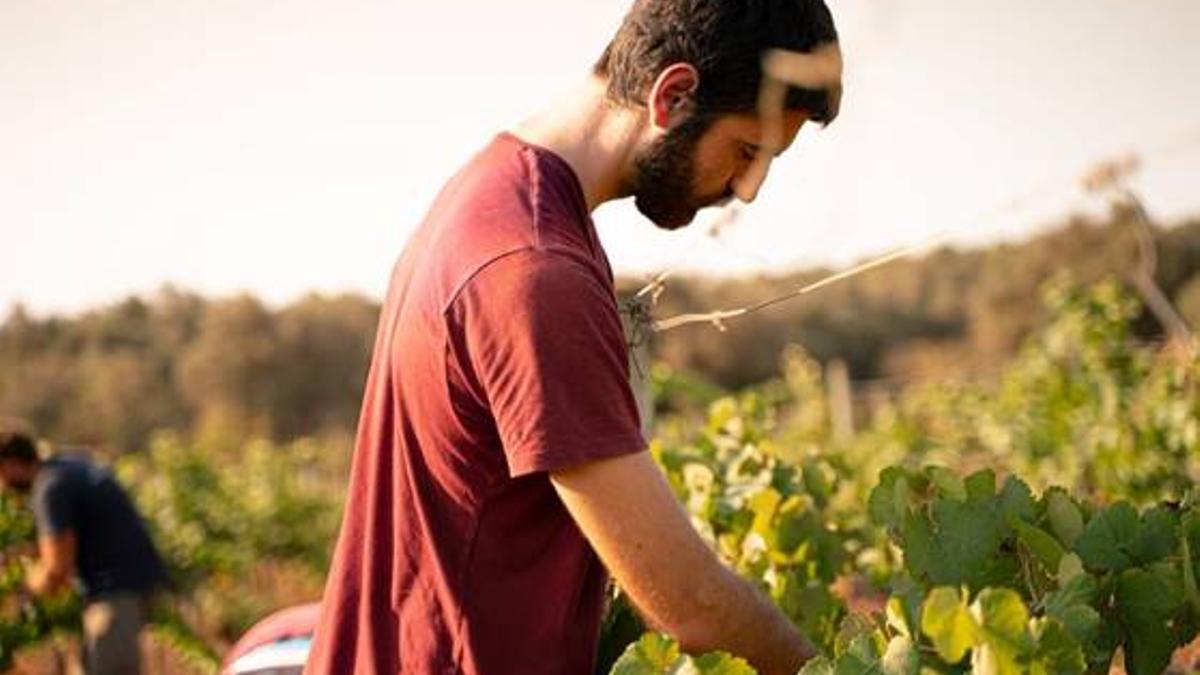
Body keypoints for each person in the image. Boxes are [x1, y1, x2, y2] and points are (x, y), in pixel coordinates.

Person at [306, 1, 842, 673]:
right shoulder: (535, 269)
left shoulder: (493, 197)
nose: (749, 188)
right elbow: (688, 604)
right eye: (746, 150)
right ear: (672, 95)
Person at [0, 430, 168, 675]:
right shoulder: (70, 466)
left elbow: (57, 567)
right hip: (134, 584)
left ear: (11, 465)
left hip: (115, 593)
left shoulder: (49, 487)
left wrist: (20, 593)